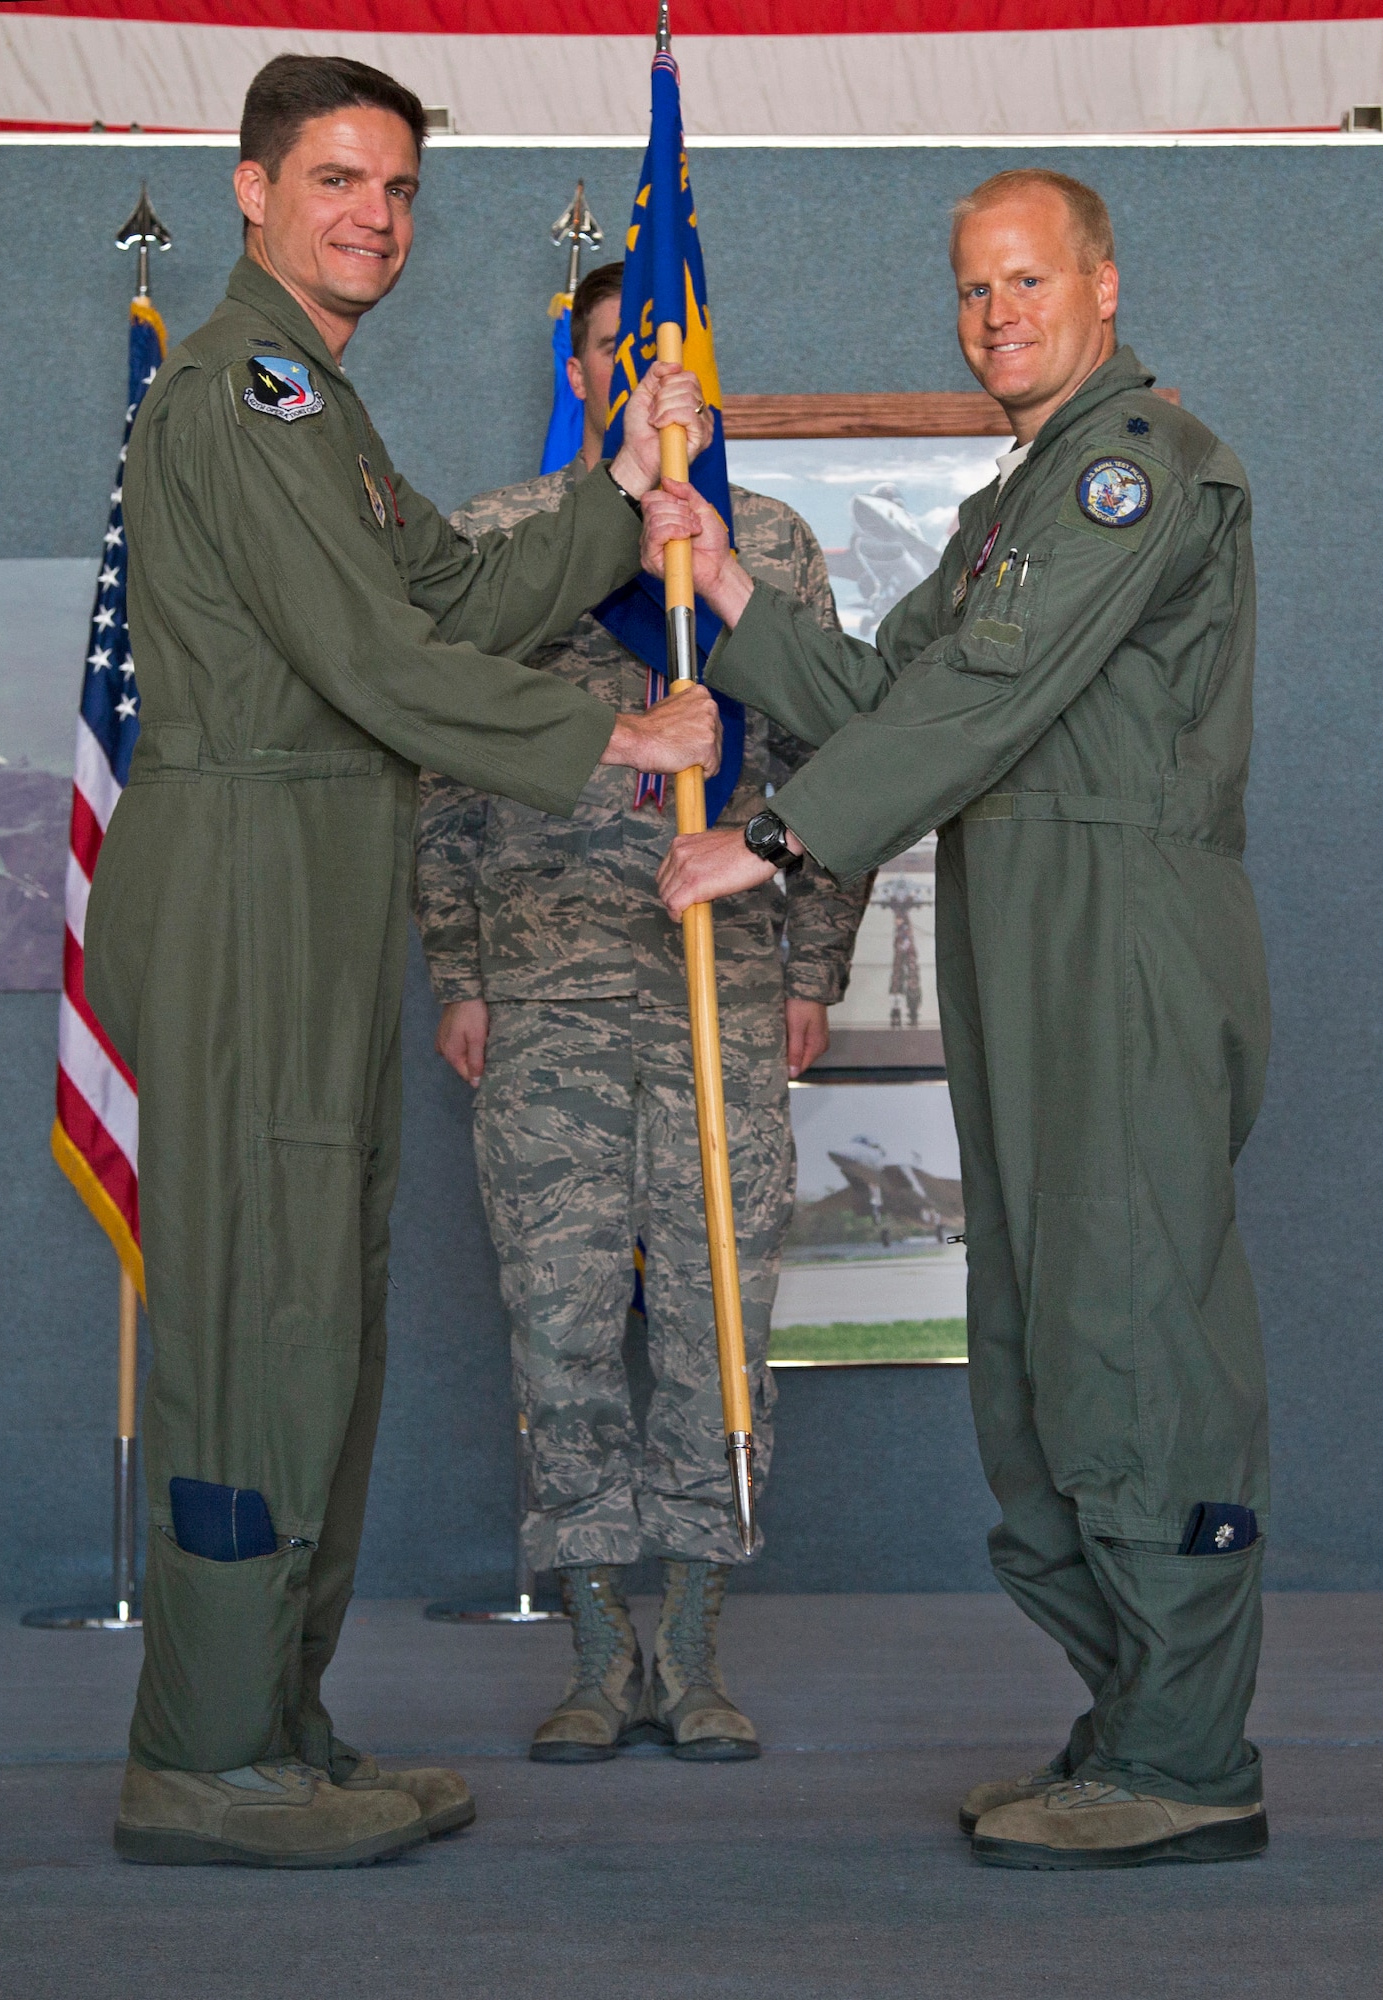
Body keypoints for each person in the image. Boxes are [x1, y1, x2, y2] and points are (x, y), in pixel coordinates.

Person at [85, 54, 717, 1870]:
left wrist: (609, 497)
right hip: (245, 877)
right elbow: (379, 656)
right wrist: (613, 740)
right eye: (338, 178)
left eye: (399, 188)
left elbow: (437, 592)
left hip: (312, 869)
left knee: (314, 1317)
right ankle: (204, 1760)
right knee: (254, 1322)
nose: (373, 214)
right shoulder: (243, 386)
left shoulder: (315, 405)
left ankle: (268, 1720)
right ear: (251, 189)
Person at [646, 169, 1271, 1870]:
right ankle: (1135, 1714)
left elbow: (985, 697)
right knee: (1036, 1350)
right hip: (1023, 920)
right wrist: (714, 584)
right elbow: (884, 691)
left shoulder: (1140, 469)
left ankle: (1187, 1754)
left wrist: (768, 838)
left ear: (1102, 287)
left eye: (1025, 280)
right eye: (970, 289)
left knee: (1128, 1329)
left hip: (1122, 932)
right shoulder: (1020, 498)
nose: (996, 313)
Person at [415, 260, 870, 1765]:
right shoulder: (503, 542)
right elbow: (435, 763)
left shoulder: (772, 548)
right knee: (554, 1322)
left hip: (720, 992)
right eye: (620, 351)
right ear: (585, 365)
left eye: (673, 352)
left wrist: (808, 970)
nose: (650, 377)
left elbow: (836, 766)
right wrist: (461, 971)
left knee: (712, 1320)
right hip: (543, 989)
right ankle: (597, 1650)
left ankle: (696, 1648)